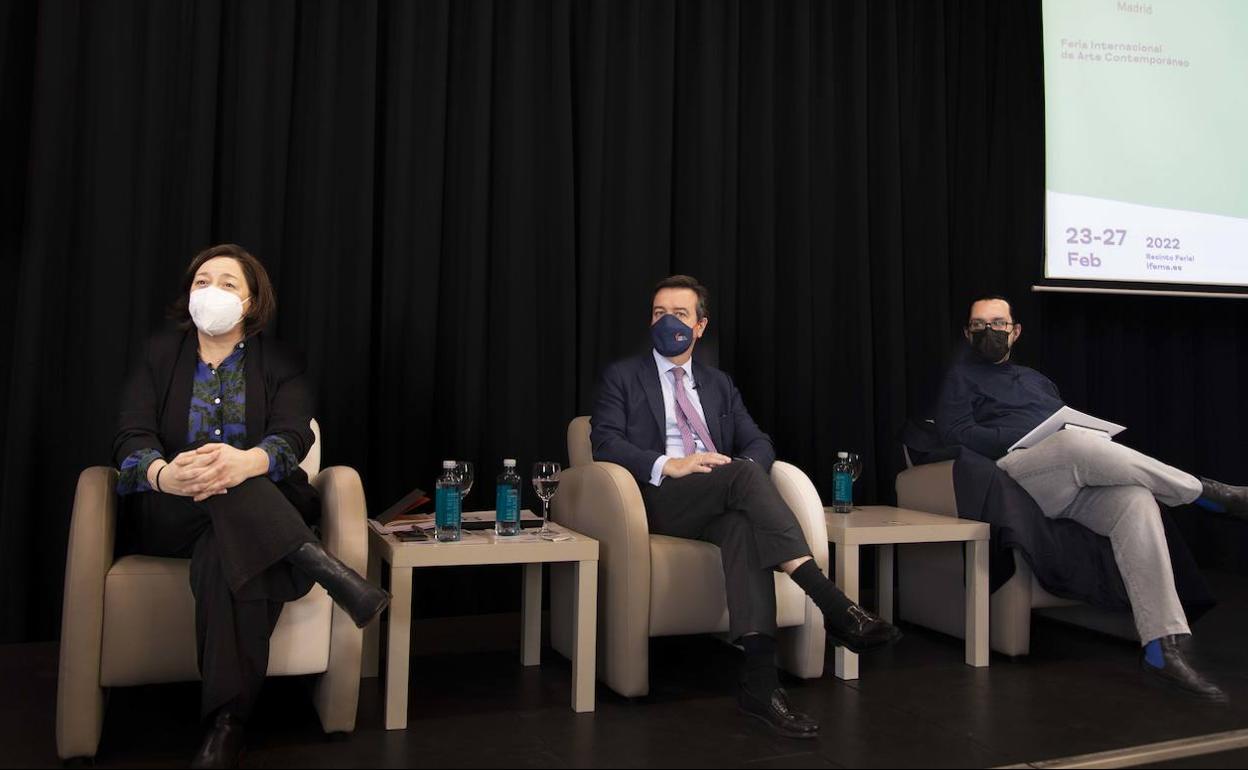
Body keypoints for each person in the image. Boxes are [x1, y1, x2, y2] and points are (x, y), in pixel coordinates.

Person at [113, 244, 389, 768]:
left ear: (252, 300)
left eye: (227, 283)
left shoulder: (282, 362)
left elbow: (292, 436)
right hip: (173, 510)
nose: (211, 291)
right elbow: (130, 435)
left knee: (224, 544)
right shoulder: (157, 355)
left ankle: (226, 723)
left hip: (252, 509)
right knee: (219, 475)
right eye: (201, 281)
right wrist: (163, 473)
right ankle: (323, 567)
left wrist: (248, 463)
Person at [591, 275, 901, 739]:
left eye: (679, 314)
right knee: (741, 477)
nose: (667, 322)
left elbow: (758, 441)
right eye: (659, 313)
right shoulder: (623, 377)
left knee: (741, 524)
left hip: (722, 496)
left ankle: (759, 683)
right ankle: (833, 604)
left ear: (700, 326)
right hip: (656, 499)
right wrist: (668, 464)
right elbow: (604, 442)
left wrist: (745, 470)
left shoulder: (718, 385)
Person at [936, 295, 1245, 702]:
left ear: (1015, 331)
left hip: (1066, 478)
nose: (988, 331)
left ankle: (1160, 647)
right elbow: (956, 436)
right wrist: (1022, 437)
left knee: (1136, 499)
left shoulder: (1035, 380)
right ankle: (1207, 493)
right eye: (979, 325)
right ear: (966, 332)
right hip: (1013, 476)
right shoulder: (960, 378)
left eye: (997, 323)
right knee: (1074, 441)